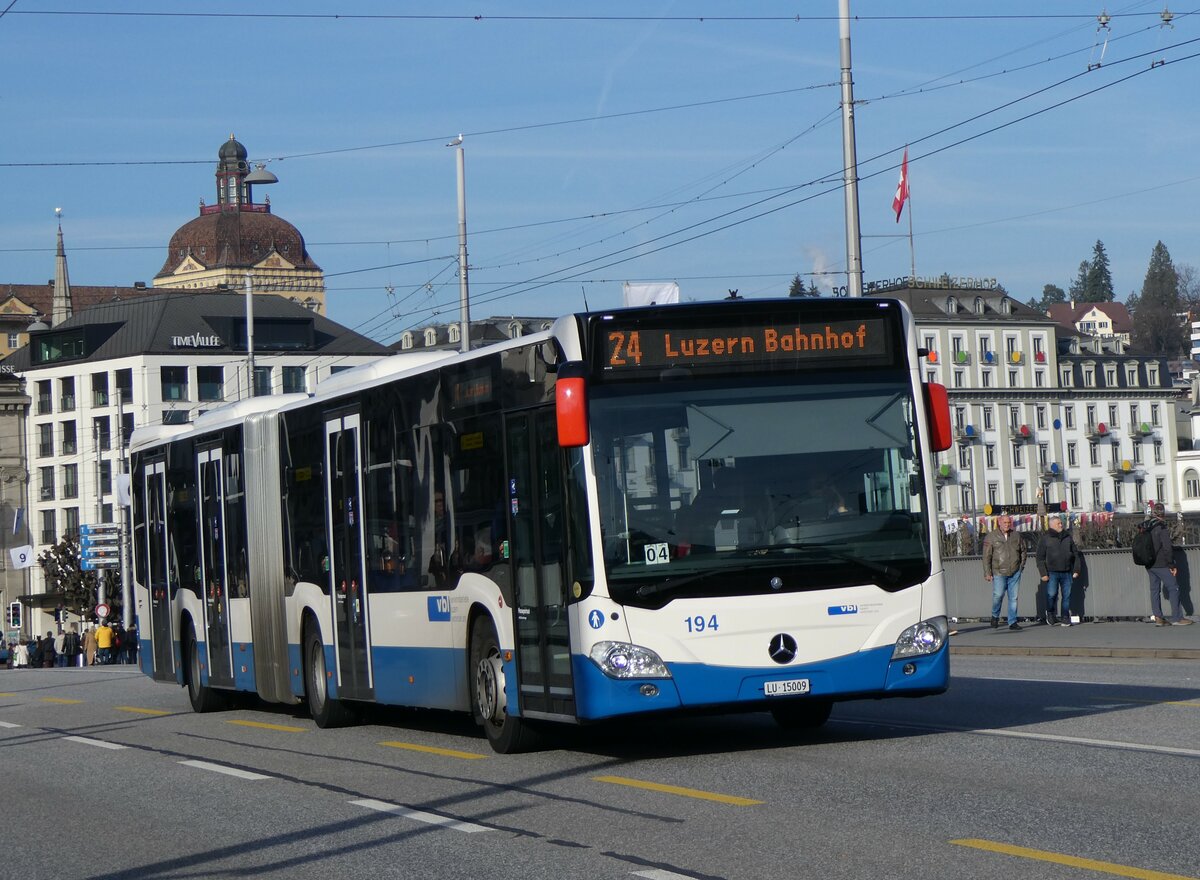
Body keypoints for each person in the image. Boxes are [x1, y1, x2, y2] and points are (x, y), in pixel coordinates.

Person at [1140, 502, 1194, 626]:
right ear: (1163, 514)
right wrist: (1172, 565)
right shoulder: (1161, 527)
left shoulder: (1147, 526)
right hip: (1161, 564)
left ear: (1154, 513)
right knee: (1174, 588)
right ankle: (1177, 618)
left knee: (1154, 590)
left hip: (1149, 564)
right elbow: (1167, 548)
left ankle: (1158, 618)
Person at [1036, 515, 1082, 626]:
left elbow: (1075, 554)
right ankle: (1050, 613)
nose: (1061, 525)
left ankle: (1065, 617)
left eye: (1061, 523)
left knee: (1067, 595)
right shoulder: (1045, 539)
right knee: (1052, 594)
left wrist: (1076, 569)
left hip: (1067, 571)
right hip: (1052, 572)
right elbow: (1040, 558)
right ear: (1052, 526)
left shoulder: (1067, 537)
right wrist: (1043, 573)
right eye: (1058, 523)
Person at [983, 514, 1026, 631]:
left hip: (1015, 571)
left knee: (1014, 598)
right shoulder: (991, 537)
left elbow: (1023, 551)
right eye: (1005, 523)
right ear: (999, 523)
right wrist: (987, 572)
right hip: (999, 571)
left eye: (1009, 523)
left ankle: (1012, 622)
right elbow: (986, 556)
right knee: (998, 595)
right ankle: (995, 616)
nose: (1007, 525)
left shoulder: (1016, 535)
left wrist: (1021, 566)